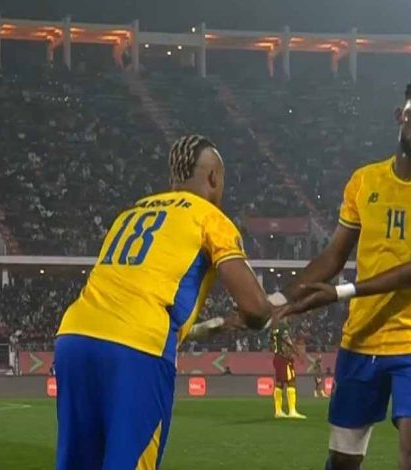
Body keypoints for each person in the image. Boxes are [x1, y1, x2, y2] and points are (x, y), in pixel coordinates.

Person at [281, 79, 411, 470]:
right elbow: (333, 255)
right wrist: (278, 300)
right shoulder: (364, 180)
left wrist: (340, 293)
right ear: (400, 116)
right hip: (360, 340)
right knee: (343, 460)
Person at [54, 135, 280, 470]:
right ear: (214, 177)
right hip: (137, 349)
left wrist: (211, 326)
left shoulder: (130, 212)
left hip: (73, 338)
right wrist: (263, 315)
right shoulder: (211, 218)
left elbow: (134, 288)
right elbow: (256, 309)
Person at [270, 324, 306, 418]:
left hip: (277, 357)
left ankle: (278, 411)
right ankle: (292, 411)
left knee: (279, 383)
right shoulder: (283, 327)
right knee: (291, 381)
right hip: (284, 358)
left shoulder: (274, 329)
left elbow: (272, 343)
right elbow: (287, 340)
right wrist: (297, 353)